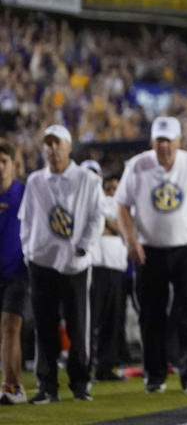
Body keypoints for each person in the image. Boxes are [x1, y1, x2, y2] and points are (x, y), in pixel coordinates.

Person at [115, 116, 187, 394]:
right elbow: (122, 206)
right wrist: (131, 241)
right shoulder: (138, 165)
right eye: (159, 141)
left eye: (168, 141)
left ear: (178, 141)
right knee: (151, 314)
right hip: (149, 250)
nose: (164, 146)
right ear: (152, 142)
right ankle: (155, 374)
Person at [20, 125, 106, 403]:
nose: (52, 149)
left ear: (69, 147)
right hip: (42, 262)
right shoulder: (35, 181)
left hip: (75, 264)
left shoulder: (87, 180)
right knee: (44, 326)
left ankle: (80, 383)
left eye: (57, 143)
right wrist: (28, 250)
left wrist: (83, 246)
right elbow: (27, 220)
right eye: (47, 144)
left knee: (78, 325)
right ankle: (47, 386)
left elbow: (97, 217)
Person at [82, 160, 128, 381]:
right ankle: (84, 365)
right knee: (89, 320)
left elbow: (128, 228)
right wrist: (114, 226)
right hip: (95, 267)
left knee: (112, 320)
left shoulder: (114, 202)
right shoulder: (87, 202)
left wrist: (110, 226)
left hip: (116, 267)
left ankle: (105, 367)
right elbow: (95, 229)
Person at [0, 140, 27, 404]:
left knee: (10, 326)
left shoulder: (25, 193)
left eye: (3, 161)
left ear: (13, 164)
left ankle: (13, 386)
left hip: (16, 272)